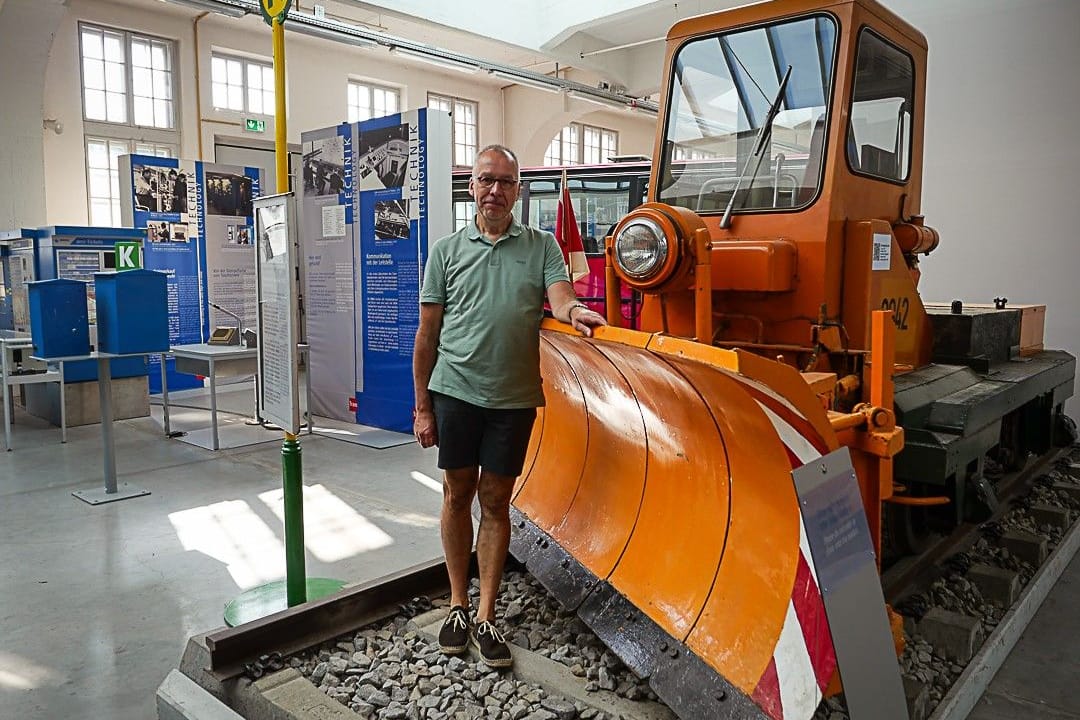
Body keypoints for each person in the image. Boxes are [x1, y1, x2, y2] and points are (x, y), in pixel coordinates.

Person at [413, 144, 606, 668]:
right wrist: (423, 407)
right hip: (454, 392)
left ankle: (486, 614)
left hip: (513, 398)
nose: (495, 190)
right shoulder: (445, 251)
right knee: (457, 494)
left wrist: (576, 312)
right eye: (485, 180)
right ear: (471, 188)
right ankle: (457, 604)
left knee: (496, 502)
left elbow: (561, 296)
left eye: (505, 182)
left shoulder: (541, 246)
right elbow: (427, 335)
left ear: (518, 190)